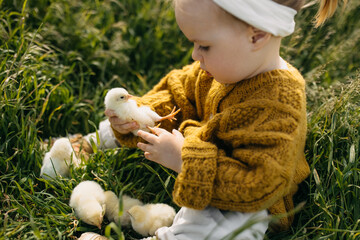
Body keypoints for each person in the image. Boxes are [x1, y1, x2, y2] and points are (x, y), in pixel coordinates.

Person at [105, 0, 345, 239]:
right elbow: (179, 93)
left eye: (204, 46)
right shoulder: (224, 69)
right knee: (137, 116)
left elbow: (258, 185)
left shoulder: (278, 104)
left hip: (246, 197)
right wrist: (139, 114)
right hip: (207, 159)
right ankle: (87, 144)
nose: (194, 54)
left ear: (257, 37)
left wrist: (183, 160)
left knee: (227, 223)